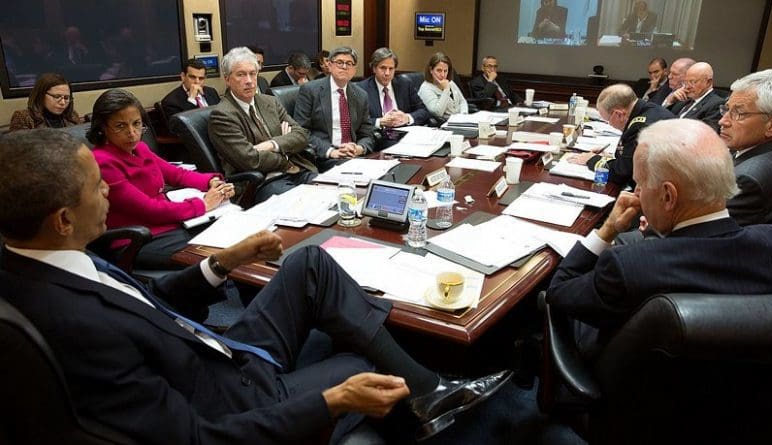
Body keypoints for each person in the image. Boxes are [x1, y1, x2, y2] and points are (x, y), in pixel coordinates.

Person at [0, 128, 512, 444]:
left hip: (216, 352)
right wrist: (331, 402)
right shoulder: (72, 323)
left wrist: (222, 263)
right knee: (364, 360)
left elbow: (147, 304)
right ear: (63, 219)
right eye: (97, 186)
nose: (110, 188)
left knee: (309, 261)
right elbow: (196, 438)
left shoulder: (47, 259)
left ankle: (430, 392)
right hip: (234, 400)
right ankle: (424, 404)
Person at [547, 119, 772, 358]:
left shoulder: (630, 265)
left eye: (640, 185)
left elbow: (559, 291)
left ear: (668, 196)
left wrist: (608, 229)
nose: (636, 194)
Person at [89, 88, 233, 269]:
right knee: (219, 255)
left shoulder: (140, 148)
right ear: (102, 128)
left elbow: (178, 175)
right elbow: (149, 210)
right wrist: (203, 204)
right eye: (120, 126)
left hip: (173, 224)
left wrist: (212, 182)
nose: (132, 133)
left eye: (136, 124)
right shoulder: (102, 162)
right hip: (137, 240)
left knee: (233, 235)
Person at [209, 47, 316, 202]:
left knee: (332, 194)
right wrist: (285, 154)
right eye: (241, 74)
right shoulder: (222, 115)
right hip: (261, 183)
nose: (249, 81)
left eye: (253, 73)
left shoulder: (269, 101)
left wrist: (272, 144)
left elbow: (301, 135)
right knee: (304, 203)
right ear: (227, 79)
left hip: (298, 170)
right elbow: (250, 160)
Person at [720, 68, 772, 226]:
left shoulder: (747, 180)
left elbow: (702, 234)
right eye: (727, 109)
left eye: (739, 114)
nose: (723, 121)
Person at [568, 83, 674, 187]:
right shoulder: (648, 108)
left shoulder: (640, 128)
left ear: (619, 114)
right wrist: (606, 159)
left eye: (608, 120)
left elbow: (622, 173)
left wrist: (591, 160)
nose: (609, 124)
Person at [294, 46, 376, 172]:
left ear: (354, 69)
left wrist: (359, 148)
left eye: (349, 63)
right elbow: (301, 131)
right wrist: (330, 151)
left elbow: (367, 132)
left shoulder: (361, 95)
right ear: (330, 65)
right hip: (325, 155)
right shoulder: (310, 91)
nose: (344, 67)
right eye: (339, 62)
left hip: (354, 155)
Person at [356, 47, 430, 149]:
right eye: (383, 68)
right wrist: (380, 121)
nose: (387, 73)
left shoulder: (405, 84)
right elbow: (357, 122)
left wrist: (407, 118)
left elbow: (423, 111)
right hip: (380, 137)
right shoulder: (361, 89)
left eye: (391, 69)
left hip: (406, 134)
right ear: (374, 68)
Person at [9, 72, 82, 132]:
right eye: (56, 97)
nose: (63, 102)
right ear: (41, 95)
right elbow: (18, 148)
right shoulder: (23, 117)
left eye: (66, 98)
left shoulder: (72, 115)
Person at [673, 62, 725, 132]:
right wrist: (671, 100)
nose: (687, 87)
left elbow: (706, 133)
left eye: (692, 82)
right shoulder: (685, 99)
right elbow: (666, 117)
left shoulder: (716, 104)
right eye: (685, 82)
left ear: (708, 82)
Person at [417, 52, 468, 121]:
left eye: (445, 71)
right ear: (431, 70)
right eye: (439, 70)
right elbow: (437, 112)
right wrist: (446, 89)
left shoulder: (450, 83)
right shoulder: (426, 88)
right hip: (445, 124)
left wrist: (464, 115)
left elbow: (462, 101)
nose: (443, 75)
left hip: (461, 120)